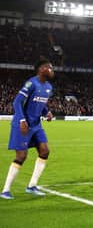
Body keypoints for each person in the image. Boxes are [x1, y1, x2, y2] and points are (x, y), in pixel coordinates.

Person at [1, 58, 54, 200]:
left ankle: (32, 186)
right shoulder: (31, 83)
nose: (51, 70)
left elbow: (42, 105)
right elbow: (17, 101)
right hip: (22, 124)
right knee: (21, 156)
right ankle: (5, 190)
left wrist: (46, 113)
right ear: (41, 69)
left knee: (45, 151)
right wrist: (22, 120)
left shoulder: (49, 87)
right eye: (49, 68)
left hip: (36, 125)